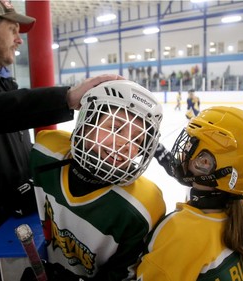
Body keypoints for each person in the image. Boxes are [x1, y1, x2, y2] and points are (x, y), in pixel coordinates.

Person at [0, 1, 123, 281]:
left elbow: (19, 151)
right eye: (13, 29)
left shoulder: (3, 83)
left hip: (19, 221)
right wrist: (65, 98)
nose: (19, 40)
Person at [30, 80, 166, 280]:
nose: (125, 145)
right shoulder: (46, 150)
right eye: (115, 128)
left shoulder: (143, 206)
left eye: (138, 140)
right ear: (88, 123)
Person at [137, 106, 243, 281]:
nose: (183, 153)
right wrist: (159, 151)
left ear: (205, 164)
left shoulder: (179, 237)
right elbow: (197, 175)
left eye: (191, 147)